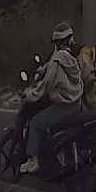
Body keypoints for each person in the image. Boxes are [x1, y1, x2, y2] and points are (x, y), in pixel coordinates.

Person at [19, 22, 87, 174]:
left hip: (64, 107)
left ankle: (33, 161)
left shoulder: (58, 58)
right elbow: (50, 66)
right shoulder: (76, 56)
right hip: (77, 103)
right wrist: (43, 68)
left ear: (57, 42)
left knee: (36, 123)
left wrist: (31, 95)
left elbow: (47, 84)